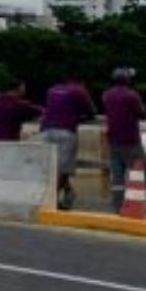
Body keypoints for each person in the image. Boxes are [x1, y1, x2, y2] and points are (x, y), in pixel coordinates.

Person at [39, 73, 97, 211]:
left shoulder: (52, 90)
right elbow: (92, 111)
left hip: (46, 130)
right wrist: (80, 116)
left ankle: (65, 193)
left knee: (51, 167)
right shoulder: (79, 90)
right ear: (82, 82)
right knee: (63, 169)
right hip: (66, 131)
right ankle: (52, 200)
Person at [101, 67, 146, 213]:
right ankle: (141, 203)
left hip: (114, 141)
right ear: (127, 80)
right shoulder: (132, 95)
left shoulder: (106, 95)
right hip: (131, 141)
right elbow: (143, 115)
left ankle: (117, 206)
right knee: (143, 172)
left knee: (118, 176)